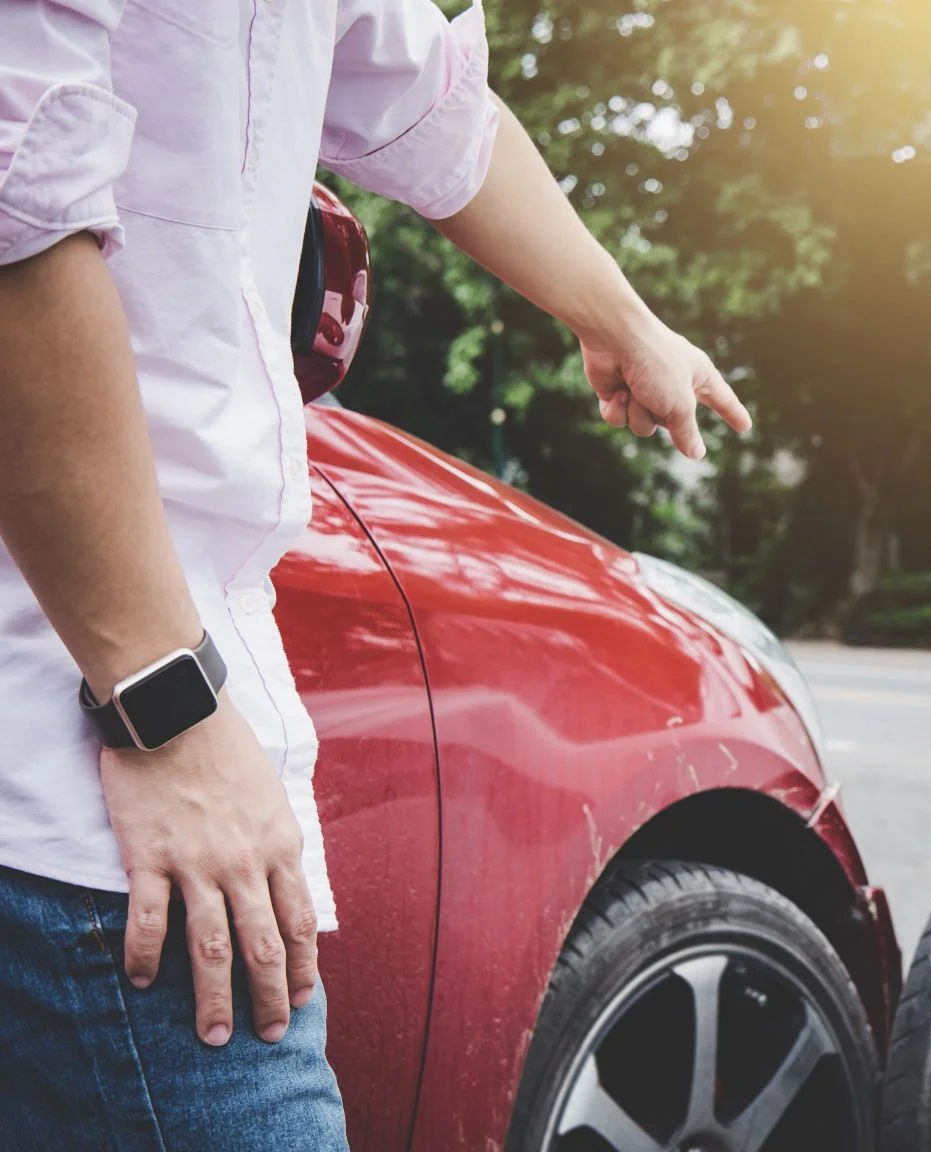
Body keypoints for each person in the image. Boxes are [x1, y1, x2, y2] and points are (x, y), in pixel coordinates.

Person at [0, 1, 748, 1146]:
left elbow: (427, 102)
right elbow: (17, 218)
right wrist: (165, 710)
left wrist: (622, 318)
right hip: (87, 747)